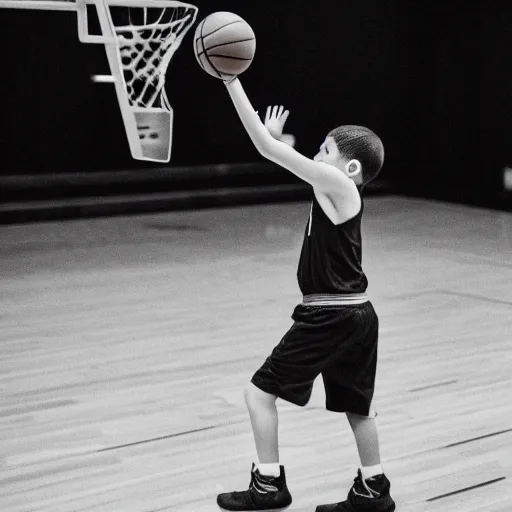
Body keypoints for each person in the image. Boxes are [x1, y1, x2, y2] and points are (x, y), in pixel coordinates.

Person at [217, 77, 395, 512]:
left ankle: (268, 485)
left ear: (350, 168)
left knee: (258, 394)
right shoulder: (335, 188)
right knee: (358, 408)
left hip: (330, 315)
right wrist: (281, 143)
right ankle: (374, 490)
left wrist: (231, 80)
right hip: (356, 314)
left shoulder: (342, 188)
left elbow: (267, 149)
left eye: (327, 151)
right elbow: (287, 155)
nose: (318, 155)